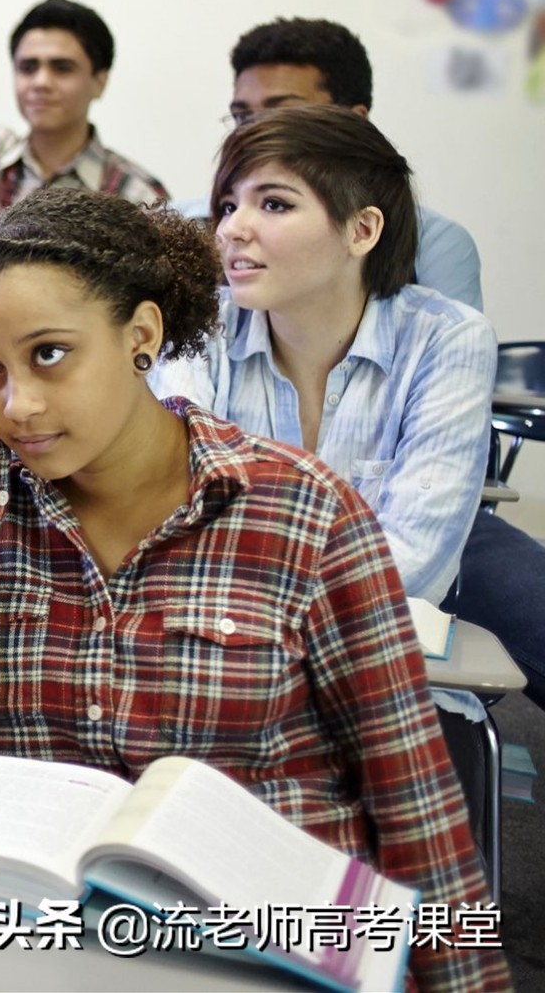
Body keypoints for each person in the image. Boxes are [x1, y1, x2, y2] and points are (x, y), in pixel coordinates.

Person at [0, 188, 503, 992]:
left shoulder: (301, 512)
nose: (20, 404)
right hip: (54, 943)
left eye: (49, 353)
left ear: (142, 336)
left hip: (269, 949)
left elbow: (413, 800)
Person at [155, 105, 543, 709]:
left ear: (362, 230)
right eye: (229, 205)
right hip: (206, 668)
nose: (232, 229)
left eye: (274, 204)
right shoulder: (202, 327)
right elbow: (171, 507)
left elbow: (410, 561)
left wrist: (244, 586)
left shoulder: (446, 338)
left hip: (370, 678)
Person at [202, 15, 482, 309]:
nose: (253, 132)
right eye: (242, 117)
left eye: (285, 114)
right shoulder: (191, 222)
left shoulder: (437, 244)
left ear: (354, 121)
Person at [0, 0, 168, 214]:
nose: (41, 82)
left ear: (99, 82)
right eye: (28, 68)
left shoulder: (138, 197)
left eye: (62, 68)